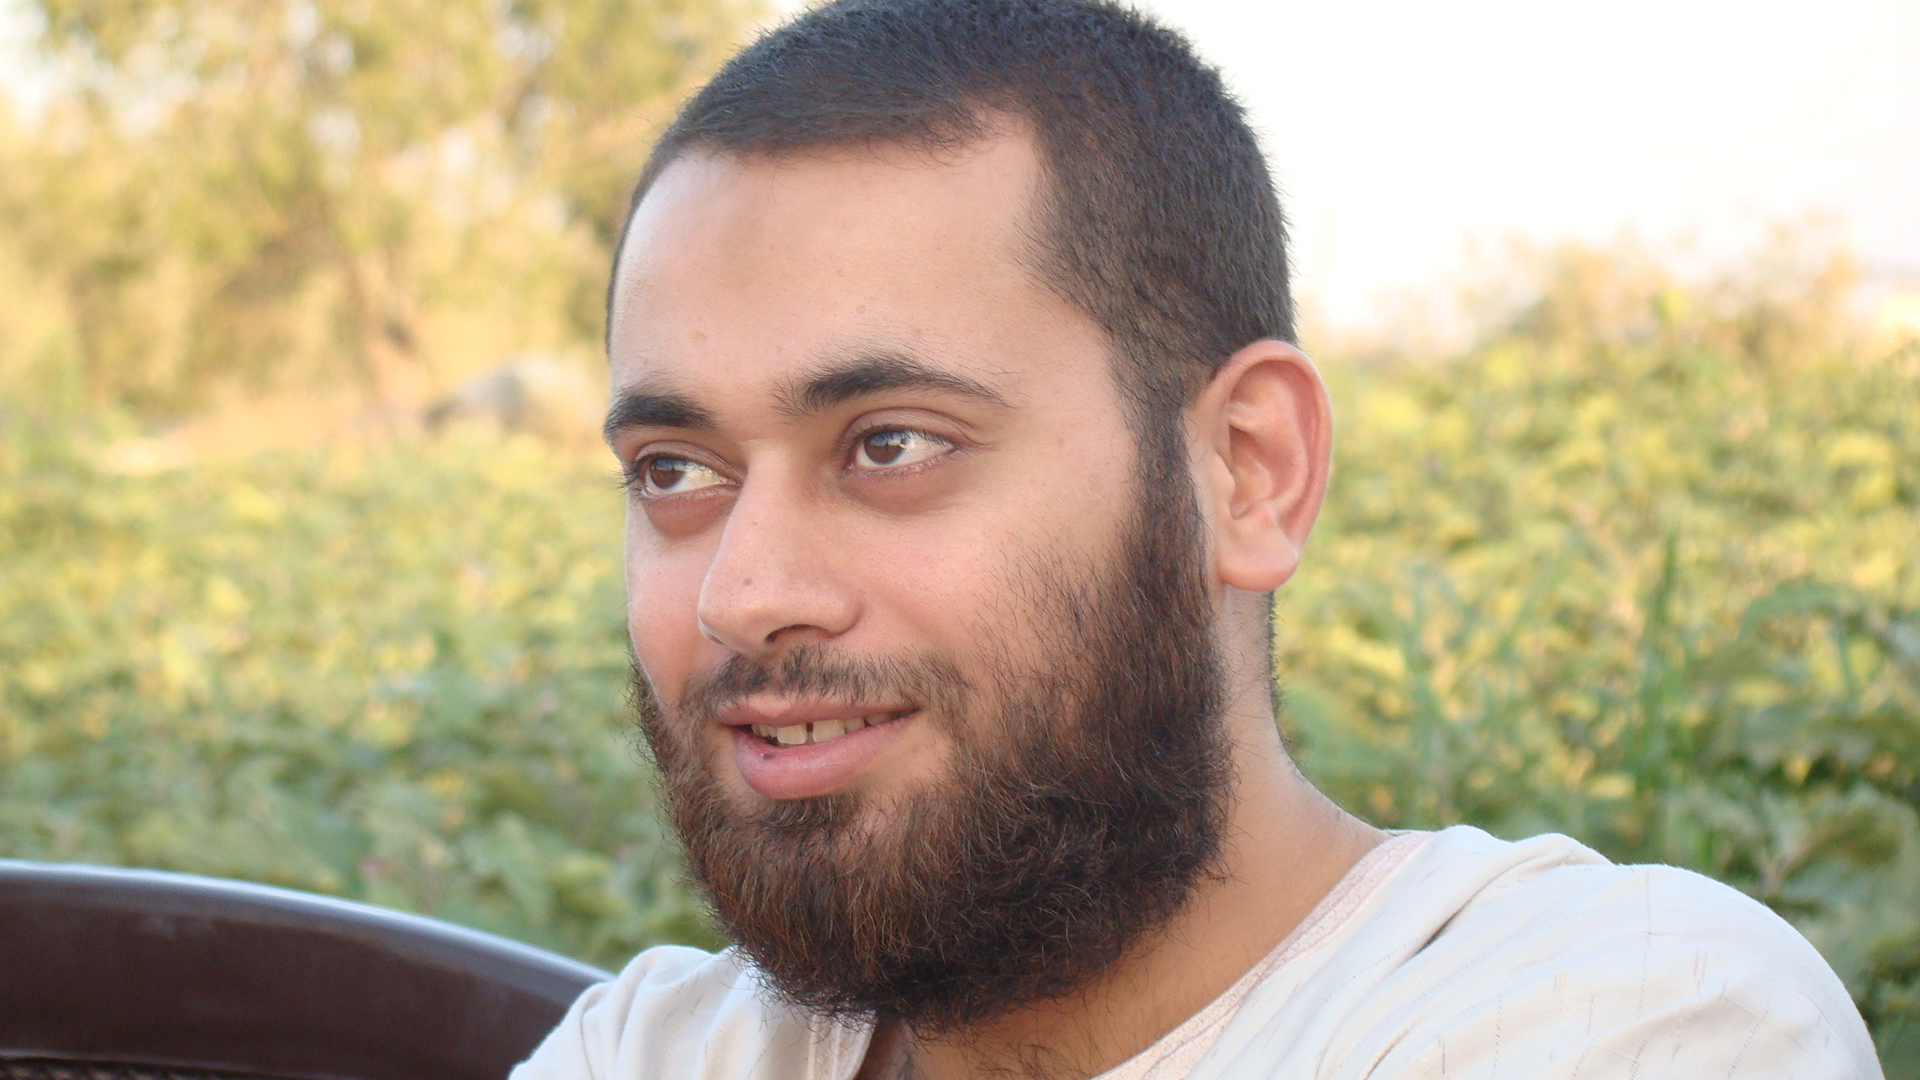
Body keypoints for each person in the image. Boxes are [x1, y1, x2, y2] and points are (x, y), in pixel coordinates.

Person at [511, 1, 1881, 1076]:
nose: (743, 593)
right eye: (674, 470)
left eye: (894, 445)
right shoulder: (655, 1049)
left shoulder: (1625, 1019)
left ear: (1248, 473)